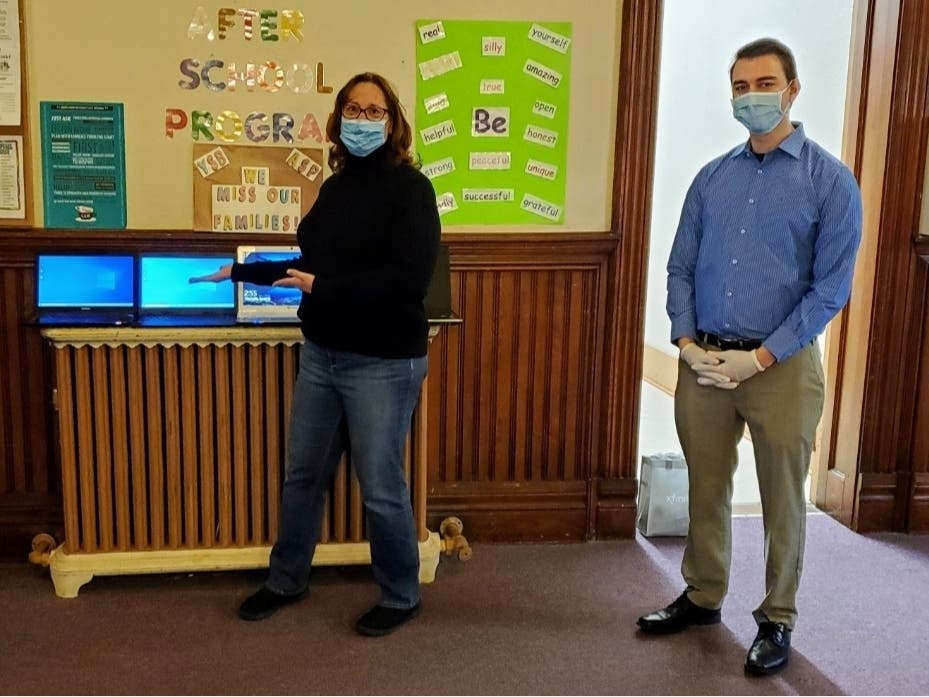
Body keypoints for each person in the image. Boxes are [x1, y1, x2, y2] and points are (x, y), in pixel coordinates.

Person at [636, 38, 862, 676]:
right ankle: (703, 594)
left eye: (765, 84)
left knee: (781, 496)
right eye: (740, 86)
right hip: (704, 362)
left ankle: (777, 617)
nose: (752, 96)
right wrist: (686, 343)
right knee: (706, 484)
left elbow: (830, 289)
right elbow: (681, 266)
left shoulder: (828, 181)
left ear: (792, 90)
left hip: (780, 368)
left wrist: (761, 357)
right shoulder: (713, 178)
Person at [192, 72, 440, 636]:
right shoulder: (336, 188)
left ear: (393, 123)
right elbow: (309, 266)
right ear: (337, 119)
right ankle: (286, 580)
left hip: (382, 362)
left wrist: (324, 289)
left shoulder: (412, 190)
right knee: (303, 474)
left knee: (380, 486)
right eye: (352, 109)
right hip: (323, 355)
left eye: (373, 111)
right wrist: (241, 271)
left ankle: (401, 595)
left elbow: (408, 280)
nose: (361, 119)